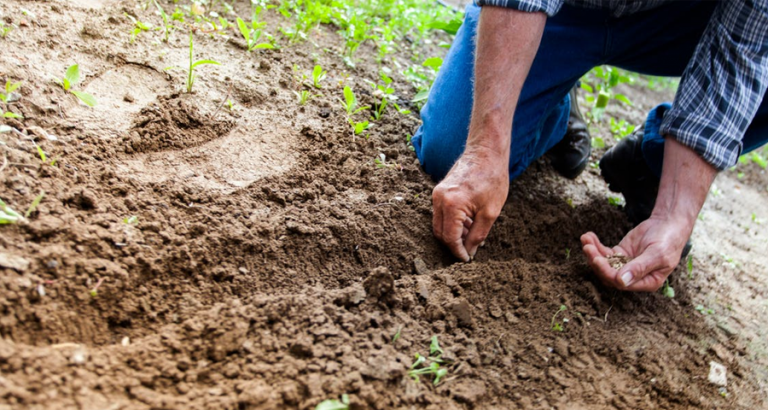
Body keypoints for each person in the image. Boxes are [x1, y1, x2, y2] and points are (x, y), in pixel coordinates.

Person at [411, 0, 768, 292]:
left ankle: (652, 163)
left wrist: (674, 214)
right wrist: (484, 150)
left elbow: (744, 50)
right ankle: (554, 106)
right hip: (564, 11)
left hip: (678, 22)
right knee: (451, 150)